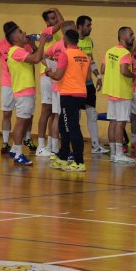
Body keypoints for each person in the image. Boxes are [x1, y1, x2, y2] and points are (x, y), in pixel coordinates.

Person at [4, 21, 49, 166]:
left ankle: (13, 149)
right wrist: (42, 42)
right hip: (23, 92)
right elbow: (36, 59)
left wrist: (36, 45)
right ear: (14, 38)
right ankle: (18, 154)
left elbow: (37, 56)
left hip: (27, 90)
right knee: (21, 122)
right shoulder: (16, 51)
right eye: (20, 32)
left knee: (26, 121)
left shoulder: (22, 51)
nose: (24, 33)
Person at [46, 29, 91, 172]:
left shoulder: (65, 55)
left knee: (72, 128)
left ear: (65, 40)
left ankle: (79, 161)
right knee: (63, 125)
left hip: (69, 94)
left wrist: (49, 72)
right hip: (80, 93)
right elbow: (87, 78)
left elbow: (58, 75)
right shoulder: (84, 56)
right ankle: (63, 157)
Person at [0, 36, 33, 154]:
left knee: (26, 115)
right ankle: (5, 142)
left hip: (21, 84)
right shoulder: (0, 44)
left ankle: (27, 138)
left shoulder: (24, 44)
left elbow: (33, 61)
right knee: (6, 112)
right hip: (8, 84)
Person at [102, 27, 136, 163]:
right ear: (122, 37)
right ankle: (118, 154)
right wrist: (135, 75)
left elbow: (103, 69)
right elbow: (124, 71)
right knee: (120, 124)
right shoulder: (124, 53)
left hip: (111, 92)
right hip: (122, 92)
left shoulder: (109, 51)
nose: (133, 36)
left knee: (113, 122)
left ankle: (113, 153)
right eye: (131, 34)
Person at [76, 15, 109, 154]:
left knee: (92, 114)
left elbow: (91, 60)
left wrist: (98, 76)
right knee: (75, 116)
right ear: (80, 26)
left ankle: (95, 146)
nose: (90, 28)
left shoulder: (89, 41)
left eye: (91, 25)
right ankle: (74, 146)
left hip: (88, 84)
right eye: (88, 25)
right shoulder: (72, 42)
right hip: (76, 85)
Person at [44, 20, 77, 158]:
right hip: (63, 86)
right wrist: (53, 69)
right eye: (73, 29)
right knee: (62, 118)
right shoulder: (67, 48)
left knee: (58, 116)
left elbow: (43, 55)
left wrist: (51, 65)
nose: (76, 31)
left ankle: (54, 148)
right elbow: (43, 56)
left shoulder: (57, 45)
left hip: (60, 85)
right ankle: (58, 149)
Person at [36, 8, 65, 156]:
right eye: (52, 18)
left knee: (55, 112)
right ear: (47, 22)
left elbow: (62, 24)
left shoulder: (56, 36)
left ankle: (51, 144)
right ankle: (40, 145)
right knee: (46, 111)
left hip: (54, 75)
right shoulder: (47, 32)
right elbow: (62, 23)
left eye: (55, 17)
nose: (55, 20)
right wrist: (57, 9)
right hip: (46, 76)